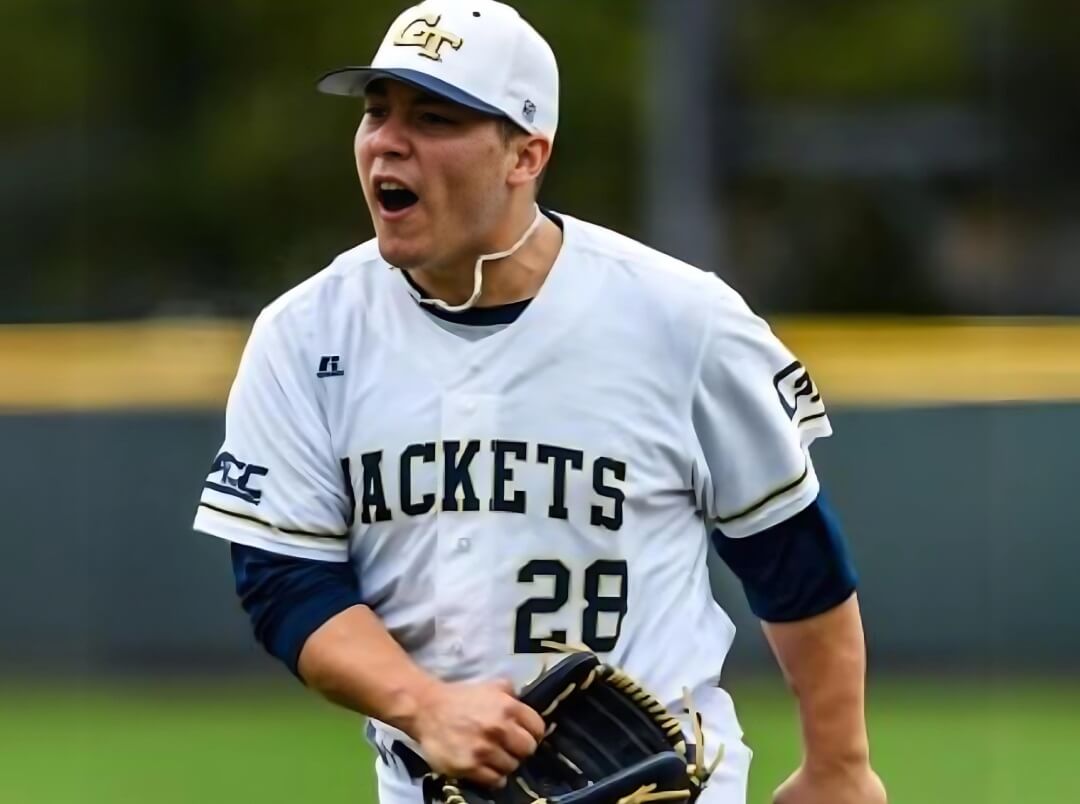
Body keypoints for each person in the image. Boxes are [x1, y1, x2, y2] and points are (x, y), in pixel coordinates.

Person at [193, 2, 887, 802]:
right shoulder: (303, 335)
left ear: (526, 154)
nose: (388, 139)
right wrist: (423, 705)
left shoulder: (682, 320)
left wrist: (839, 764)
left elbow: (789, 553)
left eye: (435, 116)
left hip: (664, 787)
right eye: (376, 111)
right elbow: (286, 578)